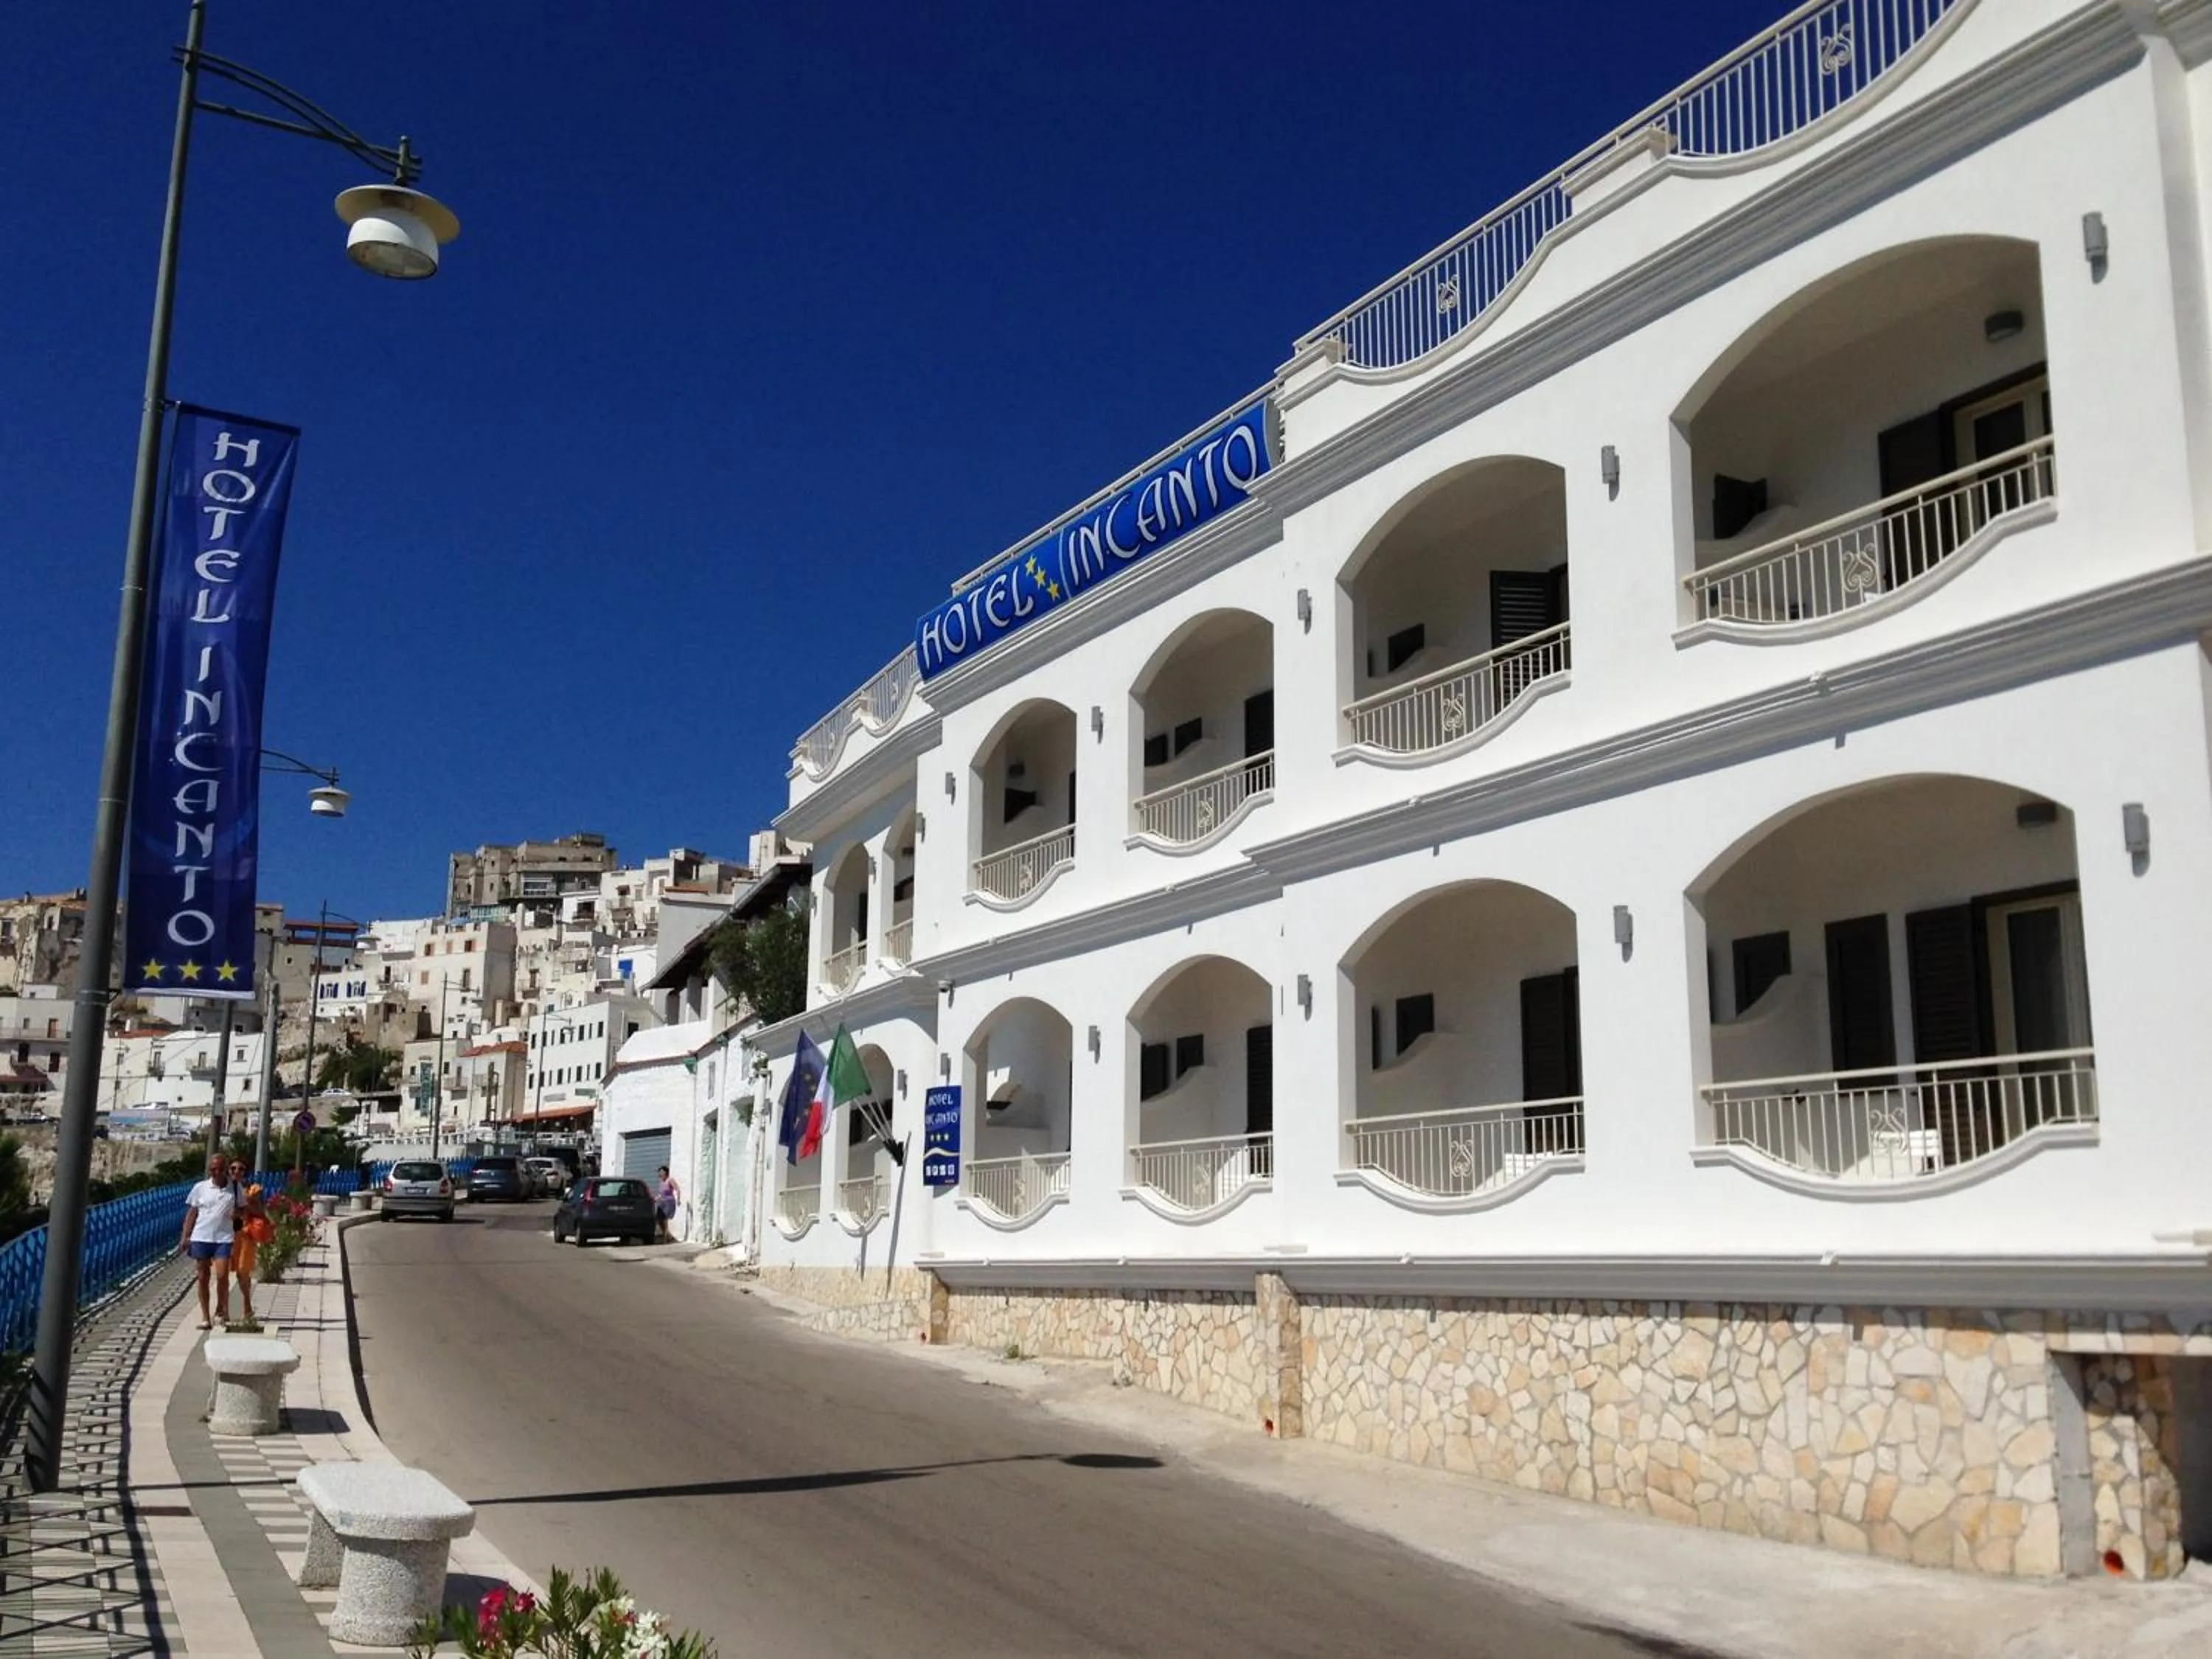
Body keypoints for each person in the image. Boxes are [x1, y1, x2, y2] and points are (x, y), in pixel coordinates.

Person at [179, 1153, 240, 1330]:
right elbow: (192, 1213)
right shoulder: (200, 1188)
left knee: (222, 1276)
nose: (217, 1172)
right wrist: (185, 1236)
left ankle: (221, 1309)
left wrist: (238, 1215)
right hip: (201, 1237)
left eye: (220, 1169)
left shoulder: (235, 1188)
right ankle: (205, 1317)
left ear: (226, 1169)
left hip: (223, 1238)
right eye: (213, 1169)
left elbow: (244, 1209)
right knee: (203, 1277)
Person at [231, 1184, 271, 1324]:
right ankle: (222, 1309)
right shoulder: (223, 1189)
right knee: (221, 1273)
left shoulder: (251, 1191)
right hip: (225, 1235)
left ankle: (247, 1305)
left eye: (240, 1169)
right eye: (233, 1169)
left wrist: (246, 1204)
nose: (236, 1172)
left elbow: (261, 1213)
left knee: (242, 1272)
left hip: (245, 1237)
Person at [654, 1165, 680, 1244]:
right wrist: (655, 1199)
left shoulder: (670, 1180)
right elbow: (661, 1194)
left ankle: (665, 1237)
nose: (660, 1173)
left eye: (662, 1172)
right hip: (662, 1202)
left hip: (669, 1202)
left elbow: (677, 1189)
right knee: (659, 1219)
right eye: (660, 1172)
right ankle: (668, 1235)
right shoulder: (661, 1182)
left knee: (665, 1219)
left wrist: (678, 1199)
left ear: (666, 1172)